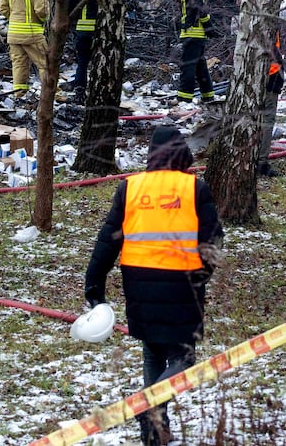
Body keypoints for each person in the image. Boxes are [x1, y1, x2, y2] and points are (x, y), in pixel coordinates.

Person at [85, 126, 223, 446]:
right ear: (182, 153)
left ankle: (155, 430)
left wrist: (95, 286)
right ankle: (151, 409)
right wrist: (202, 275)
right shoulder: (194, 188)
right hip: (183, 283)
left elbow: (107, 241)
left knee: (152, 351)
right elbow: (213, 240)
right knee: (183, 359)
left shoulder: (130, 187)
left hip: (138, 283)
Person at [0, 0, 51, 98]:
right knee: (45, 64)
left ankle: (19, 94)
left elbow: (3, 8)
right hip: (32, 34)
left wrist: (14, 19)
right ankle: (52, 94)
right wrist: (42, 21)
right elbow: (41, 9)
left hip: (13, 35)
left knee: (19, 65)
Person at [255, 0, 286, 178]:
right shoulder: (269, 27)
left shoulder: (253, 23)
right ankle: (261, 161)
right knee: (267, 121)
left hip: (256, 78)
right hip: (269, 78)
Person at [173, 0, 213, 106]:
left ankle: (184, 99)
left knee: (188, 66)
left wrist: (187, 25)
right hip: (197, 33)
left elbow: (199, 10)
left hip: (192, 33)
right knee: (200, 67)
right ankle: (208, 96)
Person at [68, 0, 105, 103]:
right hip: (103, 30)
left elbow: (71, 4)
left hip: (84, 29)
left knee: (82, 62)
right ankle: (100, 95)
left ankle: (79, 91)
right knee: (102, 64)